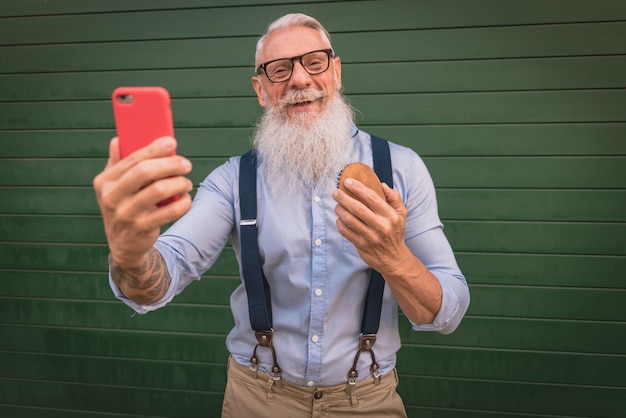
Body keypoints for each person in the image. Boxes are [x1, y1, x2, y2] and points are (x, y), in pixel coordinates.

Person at [93, 13, 470, 418]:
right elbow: (163, 273)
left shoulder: (401, 168)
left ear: (336, 72)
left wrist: (394, 257)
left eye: (314, 62)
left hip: (368, 400)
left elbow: (447, 311)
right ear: (261, 89)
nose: (299, 80)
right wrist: (130, 255)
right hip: (257, 399)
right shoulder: (233, 180)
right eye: (279, 69)